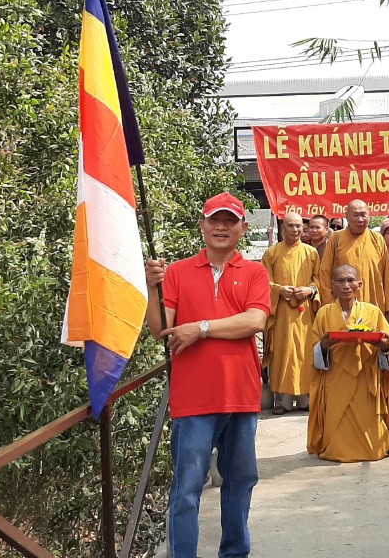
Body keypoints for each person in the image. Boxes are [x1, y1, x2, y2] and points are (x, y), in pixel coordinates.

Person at [144, 191, 271, 558]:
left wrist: (199, 327)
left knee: (241, 480)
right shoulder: (177, 272)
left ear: (243, 229)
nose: (221, 227)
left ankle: (235, 552)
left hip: (241, 395)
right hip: (193, 398)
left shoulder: (254, 271)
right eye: (214, 220)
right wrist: (154, 289)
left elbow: (255, 320)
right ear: (202, 225)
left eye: (230, 221)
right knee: (187, 487)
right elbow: (160, 329)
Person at [304, 264, 389, 463]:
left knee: (372, 449)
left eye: (350, 280)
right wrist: (324, 345)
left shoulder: (373, 312)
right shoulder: (323, 313)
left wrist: (383, 347)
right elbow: (312, 352)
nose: (346, 285)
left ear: (359, 284)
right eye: (340, 281)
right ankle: (334, 445)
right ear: (332, 286)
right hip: (336, 380)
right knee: (334, 446)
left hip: (366, 378)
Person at [260, 212, 319, 414]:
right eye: (291, 226)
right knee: (283, 352)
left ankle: (306, 399)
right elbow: (263, 283)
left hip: (304, 314)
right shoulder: (272, 253)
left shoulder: (311, 253)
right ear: (282, 228)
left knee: (305, 352)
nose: (295, 230)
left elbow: (319, 279)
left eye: (298, 226)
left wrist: (310, 290)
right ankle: (283, 401)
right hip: (281, 312)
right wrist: (278, 290)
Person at [317, 199, 389, 320]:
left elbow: (387, 276)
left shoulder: (378, 239)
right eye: (355, 215)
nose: (360, 219)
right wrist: (329, 304)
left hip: (374, 304)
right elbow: (325, 273)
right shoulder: (336, 238)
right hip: (342, 307)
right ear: (347, 216)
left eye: (363, 214)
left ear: (369, 216)